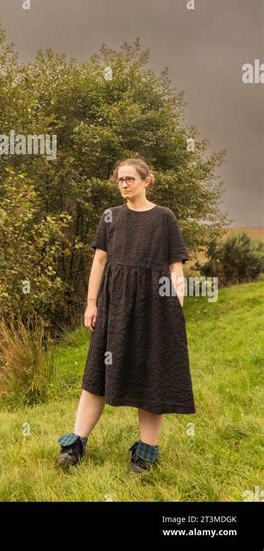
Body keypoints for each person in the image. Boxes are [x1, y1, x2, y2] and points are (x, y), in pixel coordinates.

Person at [57, 157, 196, 474]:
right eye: (120, 179)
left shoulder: (164, 218)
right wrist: (91, 303)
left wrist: (177, 302)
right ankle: (77, 442)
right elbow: (99, 261)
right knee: (96, 375)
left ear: (147, 181)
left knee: (152, 377)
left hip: (154, 307)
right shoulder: (110, 217)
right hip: (114, 304)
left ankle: (146, 452)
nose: (124, 184)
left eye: (130, 179)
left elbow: (176, 266)